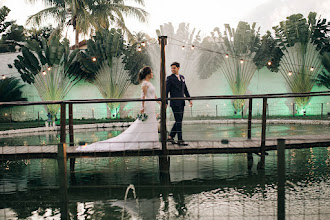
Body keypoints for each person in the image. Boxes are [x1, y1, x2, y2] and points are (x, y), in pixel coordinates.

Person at [76, 66, 159, 152]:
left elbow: (153, 95)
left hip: (151, 105)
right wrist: (142, 107)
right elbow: (143, 96)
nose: (152, 74)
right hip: (147, 106)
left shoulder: (149, 83)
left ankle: (151, 142)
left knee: (150, 123)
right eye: (151, 72)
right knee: (145, 123)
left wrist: (160, 102)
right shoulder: (145, 84)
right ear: (147, 74)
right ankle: (146, 142)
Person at [166, 62, 192, 146]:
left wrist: (189, 99)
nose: (172, 69)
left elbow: (185, 89)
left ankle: (170, 136)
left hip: (181, 102)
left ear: (178, 68)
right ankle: (180, 140)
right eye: (171, 68)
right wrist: (166, 102)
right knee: (179, 121)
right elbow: (166, 91)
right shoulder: (169, 78)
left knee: (179, 120)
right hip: (174, 103)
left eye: (174, 68)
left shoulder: (182, 77)